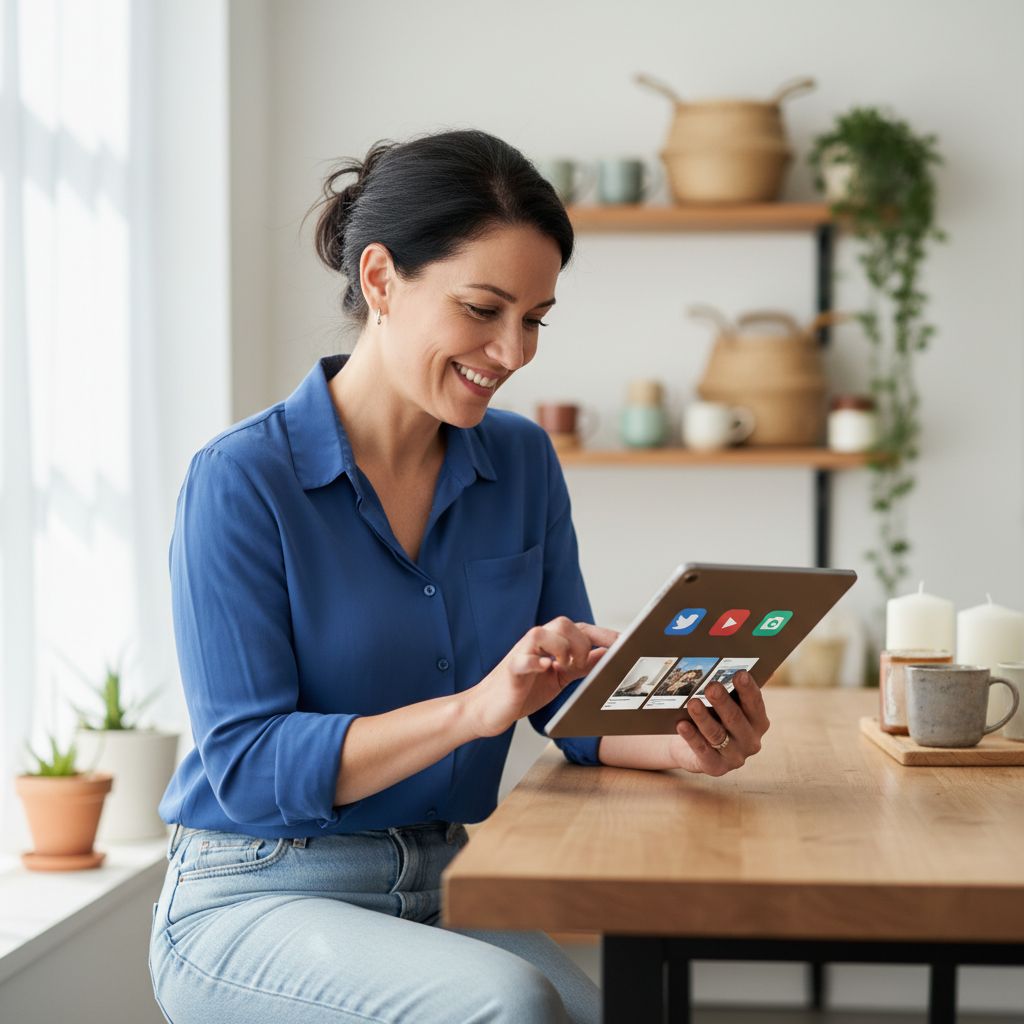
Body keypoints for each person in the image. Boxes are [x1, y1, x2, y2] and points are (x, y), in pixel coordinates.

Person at [147, 128, 771, 1024]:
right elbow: (247, 767)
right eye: (483, 309)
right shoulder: (242, 479)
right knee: (510, 1005)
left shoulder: (520, 462)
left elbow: (564, 697)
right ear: (380, 280)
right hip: (255, 891)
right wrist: (475, 709)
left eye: (535, 318)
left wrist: (681, 743)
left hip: (445, 880)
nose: (513, 352)